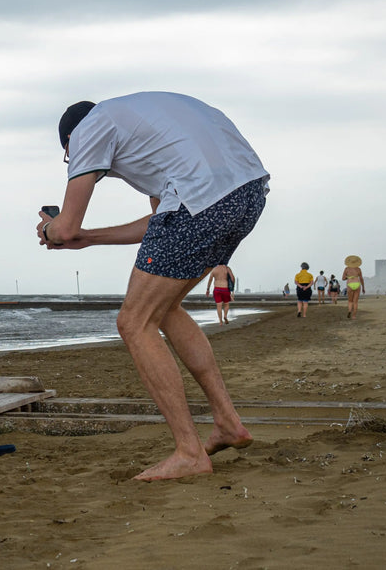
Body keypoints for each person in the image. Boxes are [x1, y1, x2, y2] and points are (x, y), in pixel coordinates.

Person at [38, 92, 268, 481]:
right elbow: (161, 221)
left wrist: (50, 229)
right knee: (164, 309)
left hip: (203, 202)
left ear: (69, 144)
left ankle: (189, 452)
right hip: (246, 195)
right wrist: (91, 238)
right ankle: (228, 423)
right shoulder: (143, 125)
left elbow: (66, 226)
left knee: (133, 322)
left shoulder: (88, 129)